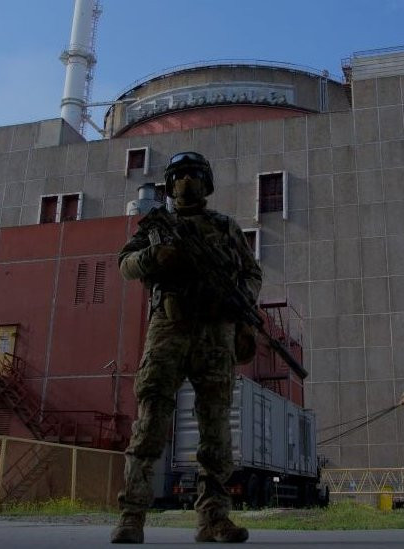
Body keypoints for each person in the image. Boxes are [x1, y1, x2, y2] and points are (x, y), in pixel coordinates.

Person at [111, 152, 261, 544]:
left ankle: (213, 519)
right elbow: (125, 263)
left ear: (207, 182)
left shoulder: (225, 227)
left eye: (194, 175)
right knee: (151, 419)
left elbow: (251, 273)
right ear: (170, 183)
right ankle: (132, 516)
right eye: (179, 176)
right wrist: (154, 256)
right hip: (169, 328)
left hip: (216, 332)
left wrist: (242, 308)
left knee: (215, 428)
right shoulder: (159, 226)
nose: (187, 182)